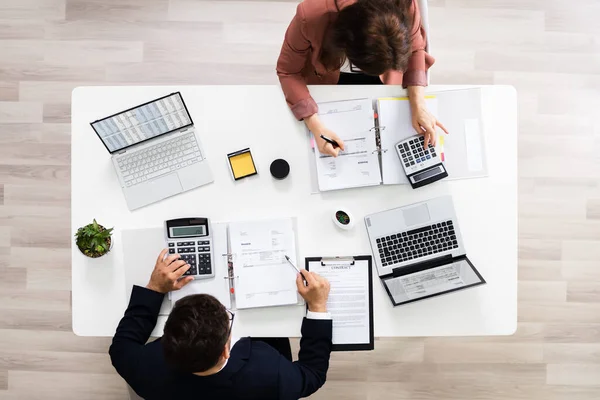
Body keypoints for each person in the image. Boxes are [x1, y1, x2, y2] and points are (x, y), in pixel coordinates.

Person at [109, 249, 333, 400]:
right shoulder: (269, 373)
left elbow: (121, 346)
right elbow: (312, 374)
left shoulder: (141, 368)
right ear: (226, 350)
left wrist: (155, 288)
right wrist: (318, 307)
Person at [277, 0, 448, 157]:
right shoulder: (312, 15)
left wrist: (418, 104)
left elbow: (416, 47)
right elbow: (288, 71)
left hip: (385, 82)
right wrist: (316, 126)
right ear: (344, 42)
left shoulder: (403, 2)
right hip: (326, 81)